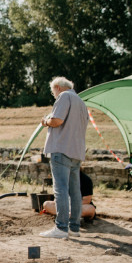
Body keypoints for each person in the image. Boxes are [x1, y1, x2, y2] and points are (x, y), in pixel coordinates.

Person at [39, 76, 89, 239]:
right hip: (77, 151)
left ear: (58, 88)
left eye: (53, 92)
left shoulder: (64, 97)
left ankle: (61, 228)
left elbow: (57, 120)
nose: (54, 95)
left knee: (60, 189)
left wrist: (46, 121)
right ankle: (74, 227)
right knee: (75, 191)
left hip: (62, 149)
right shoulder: (81, 103)